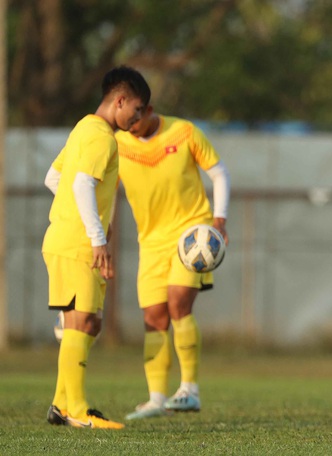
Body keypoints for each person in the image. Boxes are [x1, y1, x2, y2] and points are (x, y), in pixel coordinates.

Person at [43, 65, 151, 429]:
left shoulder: (83, 129)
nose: (138, 118)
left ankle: (61, 404)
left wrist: (78, 219)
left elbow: (54, 177)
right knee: (83, 320)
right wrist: (97, 237)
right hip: (77, 244)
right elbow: (81, 185)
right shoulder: (101, 137)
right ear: (120, 100)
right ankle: (76, 408)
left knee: (88, 324)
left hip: (67, 238)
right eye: (136, 109)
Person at [113, 105, 230, 420]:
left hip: (191, 234)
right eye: (126, 123)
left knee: (179, 304)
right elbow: (106, 190)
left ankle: (189, 390)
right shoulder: (118, 144)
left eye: (136, 119)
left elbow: (218, 173)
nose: (132, 126)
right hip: (150, 242)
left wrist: (219, 218)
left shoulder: (184, 131)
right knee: (153, 319)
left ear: (148, 109)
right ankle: (155, 398)